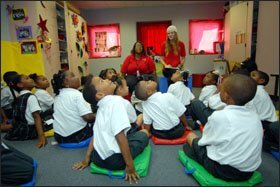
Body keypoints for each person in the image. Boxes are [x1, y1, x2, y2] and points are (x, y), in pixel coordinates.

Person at [183, 74, 263, 181]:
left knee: (190, 138)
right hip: (249, 171)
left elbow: (204, 142)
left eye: (221, 88)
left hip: (224, 171)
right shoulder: (255, 115)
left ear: (226, 96)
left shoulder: (220, 116)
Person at [73, 75, 149, 184]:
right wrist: (130, 166)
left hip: (97, 158)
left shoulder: (100, 107)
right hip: (116, 161)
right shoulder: (116, 101)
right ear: (100, 94)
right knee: (144, 133)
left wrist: (86, 159)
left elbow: (96, 135)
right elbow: (119, 134)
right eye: (102, 81)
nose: (107, 79)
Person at [51, 70, 95, 143]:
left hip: (59, 137)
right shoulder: (77, 95)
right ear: (66, 82)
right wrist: (98, 115)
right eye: (73, 75)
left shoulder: (57, 96)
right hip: (75, 137)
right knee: (100, 121)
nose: (78, 77)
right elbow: (87, 117)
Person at [4, 74, 47, 148]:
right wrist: (41, 137)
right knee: (51, 119)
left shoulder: (18, 97)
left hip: (20, 129)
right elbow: (36, 116)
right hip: (30, 130)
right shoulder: (31, 97)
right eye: (27, 78)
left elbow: (15, 117)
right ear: (20, 85)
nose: (31, 79)